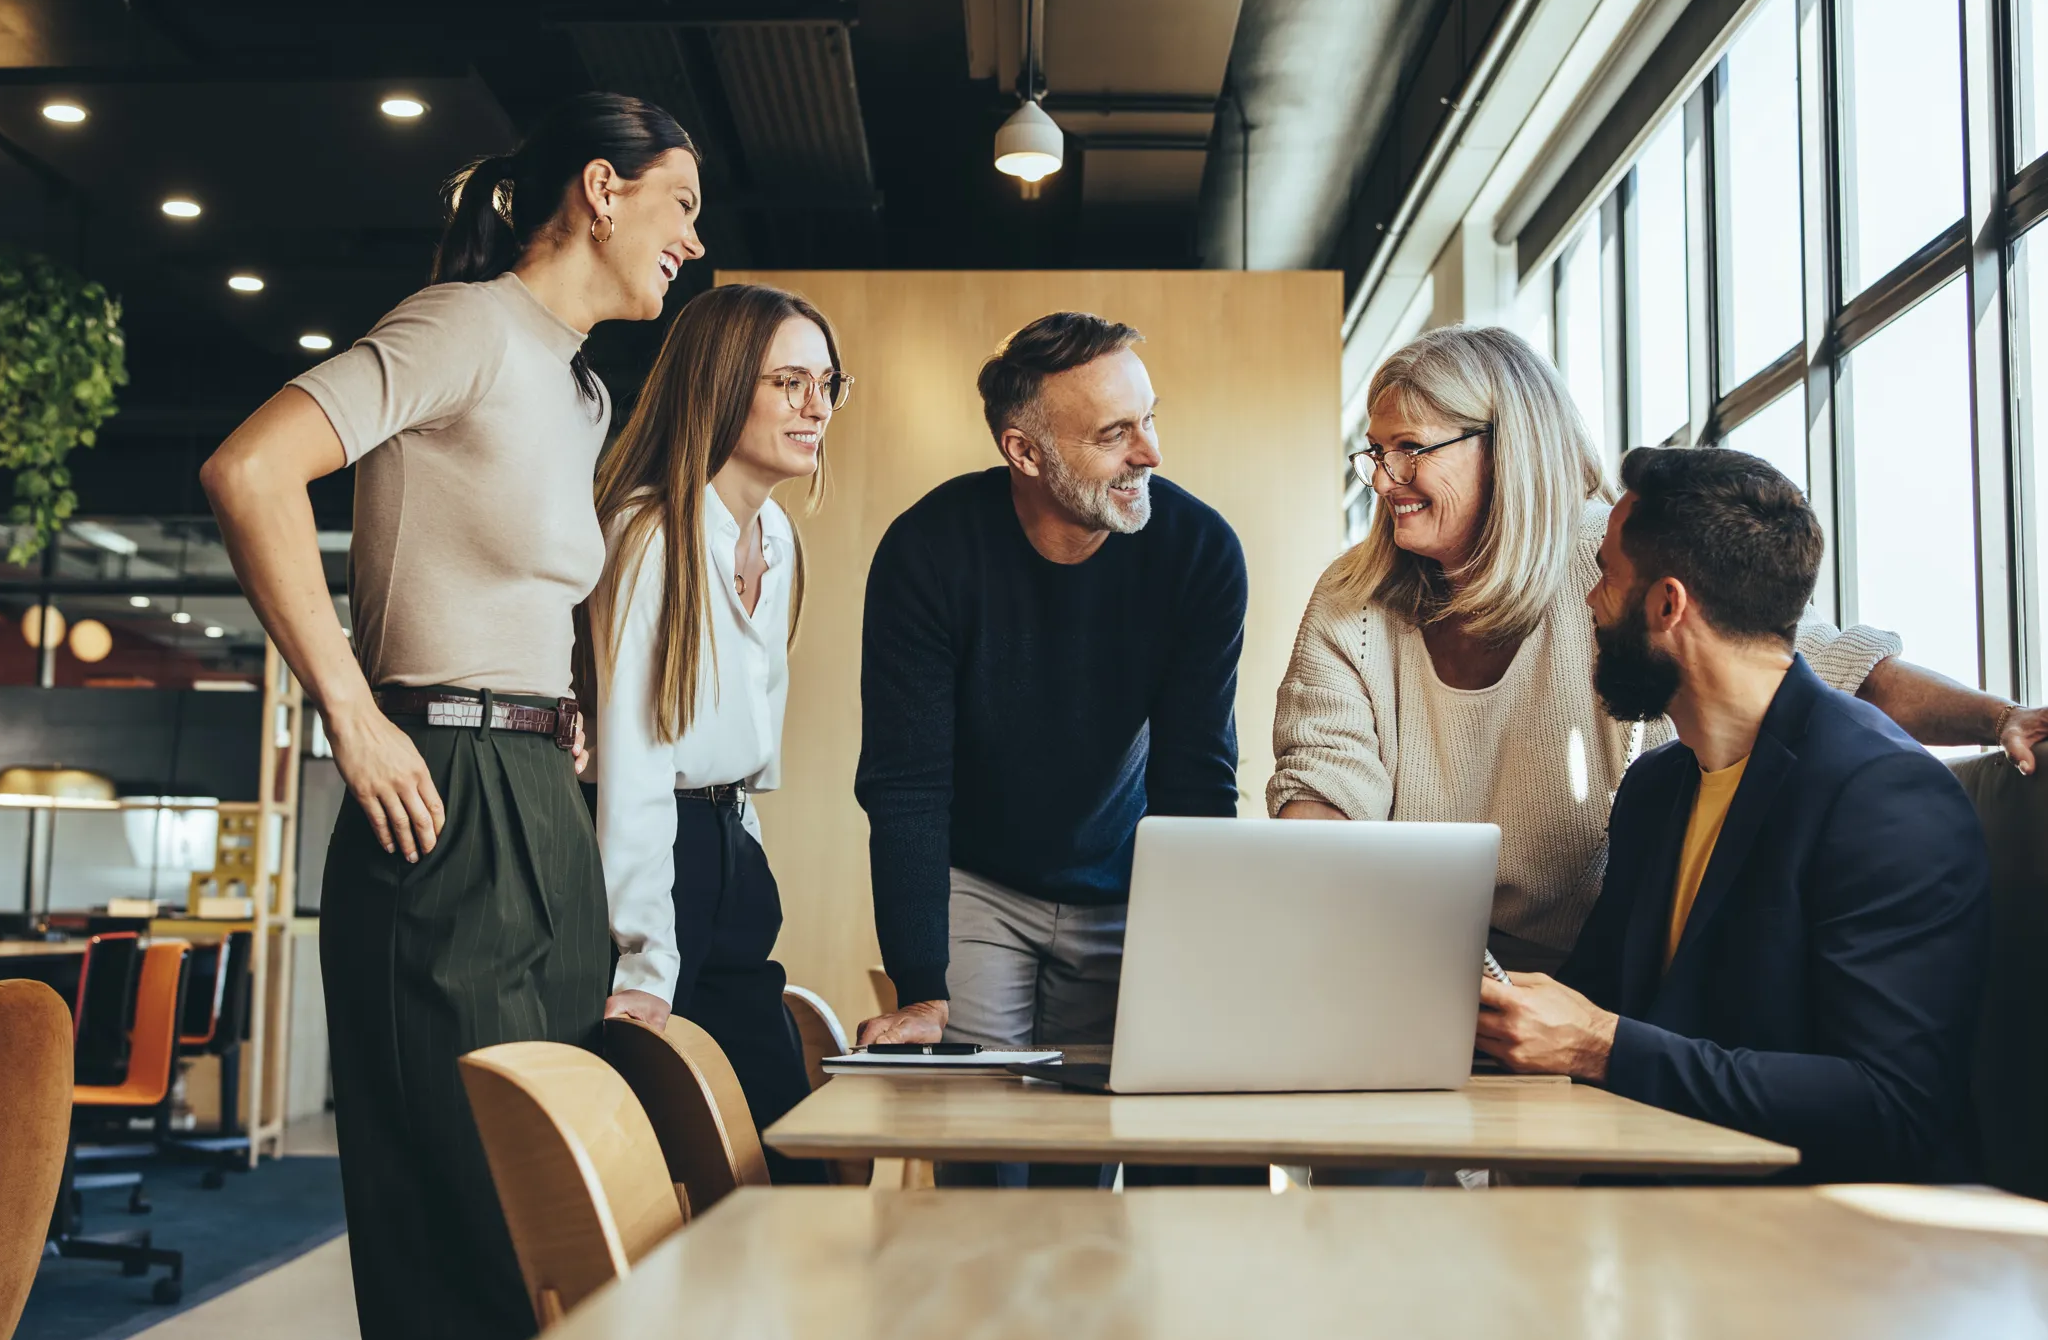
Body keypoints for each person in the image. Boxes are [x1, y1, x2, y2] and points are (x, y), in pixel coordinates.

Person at [199, 92, 704, 1340]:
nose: (692, 243)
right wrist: (352, 714)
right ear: (603, 188)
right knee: (465, 1237)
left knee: (555, 1223)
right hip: (442, 794)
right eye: (681, 206)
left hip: (539, 798)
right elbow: (251, 469)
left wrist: (559, 712)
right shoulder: (461, 324)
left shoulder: (583, 387)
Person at [1273, 326, 2043, 972]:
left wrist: (1999, 716)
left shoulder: (1608, 560)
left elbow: (1812, 666)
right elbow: (1323, 798)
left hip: (1598, 972)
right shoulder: (1355, 600)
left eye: (1410, 448)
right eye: (1374, 452)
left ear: (1504, 449)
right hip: (1411, 956)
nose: (1384, 480)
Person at [1475, 447, 1988, 1183]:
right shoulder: (1657, 790)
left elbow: (1892, 1105)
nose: (1589, 600)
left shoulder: (1888, 797)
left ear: (1667, 605)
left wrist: (1601, 1044)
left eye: (1607, 576)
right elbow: (1595, 1004)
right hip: (1666, 1224)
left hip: (1845, 1253)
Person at [853, 312, 1248, 1081]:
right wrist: (921, 988)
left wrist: (1200, 958)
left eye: (1150, 419)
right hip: (978, 884)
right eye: (1114, 433)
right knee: (978, 1137)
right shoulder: (927, 552)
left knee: (1088, 1141)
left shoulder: (1200, 552)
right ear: (1023, 450)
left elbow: (1196, 776)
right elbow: (906, 783)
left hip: (1128, 880)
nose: (1151, 453)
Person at [586, 282, 847, 1178]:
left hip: (731, 851)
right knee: (668, 1161)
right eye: (789, 383)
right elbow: (633, 761)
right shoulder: (648, 532)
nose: (817, 406)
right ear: (722, 383)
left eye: (827, 383)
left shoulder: (775, 538)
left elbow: (748, 747)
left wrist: (748, 854)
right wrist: (647, 960)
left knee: (781, 1151)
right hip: (659, 865)